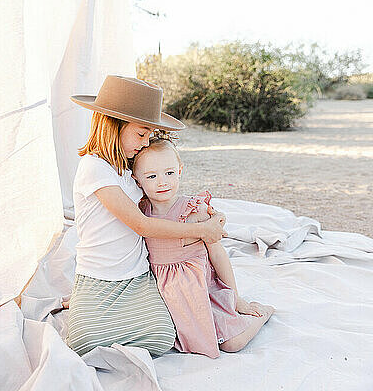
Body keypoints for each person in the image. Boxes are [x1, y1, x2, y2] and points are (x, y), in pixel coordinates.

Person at [64, 75, 228, 357]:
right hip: (98, 273)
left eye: (149, 135)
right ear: (113, 126)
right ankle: (82, 298)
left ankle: (98, 309)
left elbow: (162, 199)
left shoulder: (130, 168)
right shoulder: (94, 168)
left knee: (162, 337)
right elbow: (142, 224)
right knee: (81, 342)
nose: (145, 142)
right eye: (141, 134)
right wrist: (201, 232)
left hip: (137, 273)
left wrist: (203, 216)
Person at [131, 133, 275, 358]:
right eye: (151, 176)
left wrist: (235, 298)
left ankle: (262, 315)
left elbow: (218, 256)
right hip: (163, 293)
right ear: (137, 180)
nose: (162, 182)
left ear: (180, 171)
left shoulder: (194, 210)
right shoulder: (140, 212)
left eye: (169, 173)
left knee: (232, 343)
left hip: (201, 292)